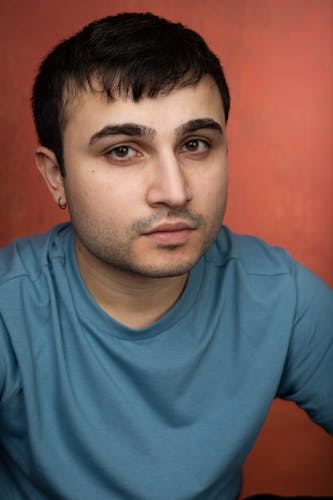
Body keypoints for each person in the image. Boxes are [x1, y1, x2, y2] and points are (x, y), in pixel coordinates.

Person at [0, 11, 332, 500]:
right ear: (56, 177)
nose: (175, 192)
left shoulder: (282, 296)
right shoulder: (9, 311)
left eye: (195, 144)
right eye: (122, 151)